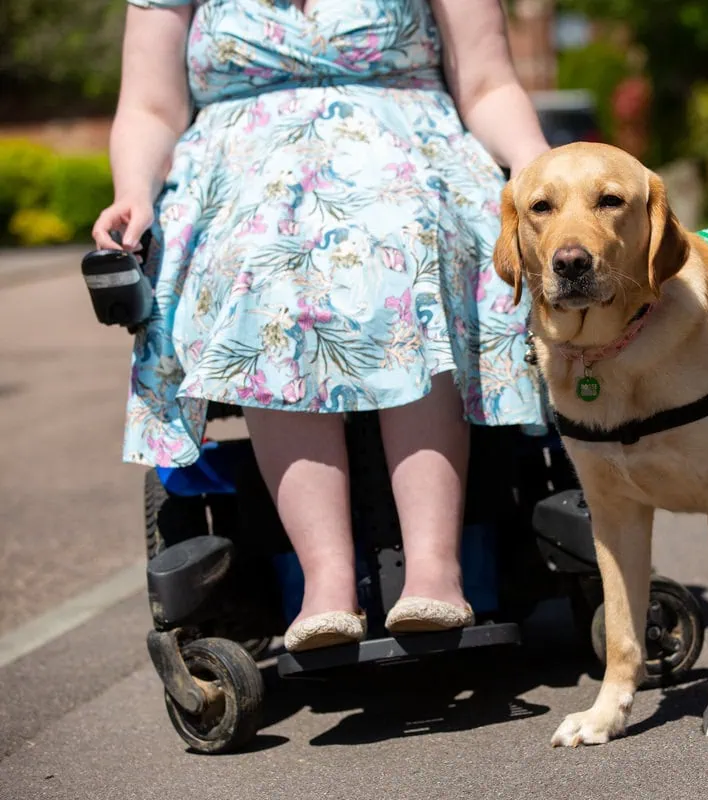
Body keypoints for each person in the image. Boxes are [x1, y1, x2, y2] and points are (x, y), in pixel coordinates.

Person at [93, 0, 550, 652]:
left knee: (404, 245)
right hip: (242, 181)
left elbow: (486, 82)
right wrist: (133, 189)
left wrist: (534, 163)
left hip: (413, 157)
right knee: (265, 264)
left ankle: (435, 567)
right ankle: (325, 579)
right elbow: (151, 107)